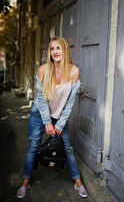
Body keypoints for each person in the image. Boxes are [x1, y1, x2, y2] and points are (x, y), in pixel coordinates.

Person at [17, 36, 88, 198]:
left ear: (65, 50)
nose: (55, 52)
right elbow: (41, 101)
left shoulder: (74, 71)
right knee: (33, 147)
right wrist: (47, 122)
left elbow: (69, 104)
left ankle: (78, 184)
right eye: (52, 48)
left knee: (68, 149)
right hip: (39, 114)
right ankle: (25, 184)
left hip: (59, 116)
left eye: (58, 48)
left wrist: (59, 124)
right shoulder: (43, 70)